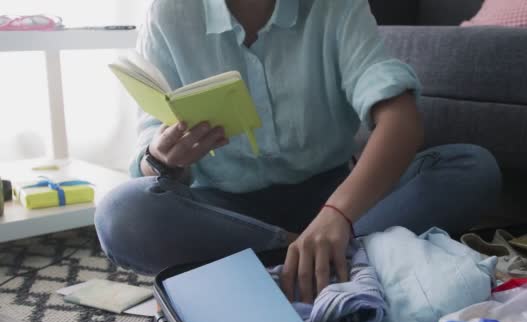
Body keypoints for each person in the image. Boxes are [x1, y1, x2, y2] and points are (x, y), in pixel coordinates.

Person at [95, 0, 501, 304]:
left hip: (338, 200)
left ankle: (284, 268)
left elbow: (402, 122)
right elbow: (147, 166)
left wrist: (337, 215)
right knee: (120, 214)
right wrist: (163, 157)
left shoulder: (334, 6)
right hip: (223, 216)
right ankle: (322, 260)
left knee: (472, 167)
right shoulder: (170, 12)